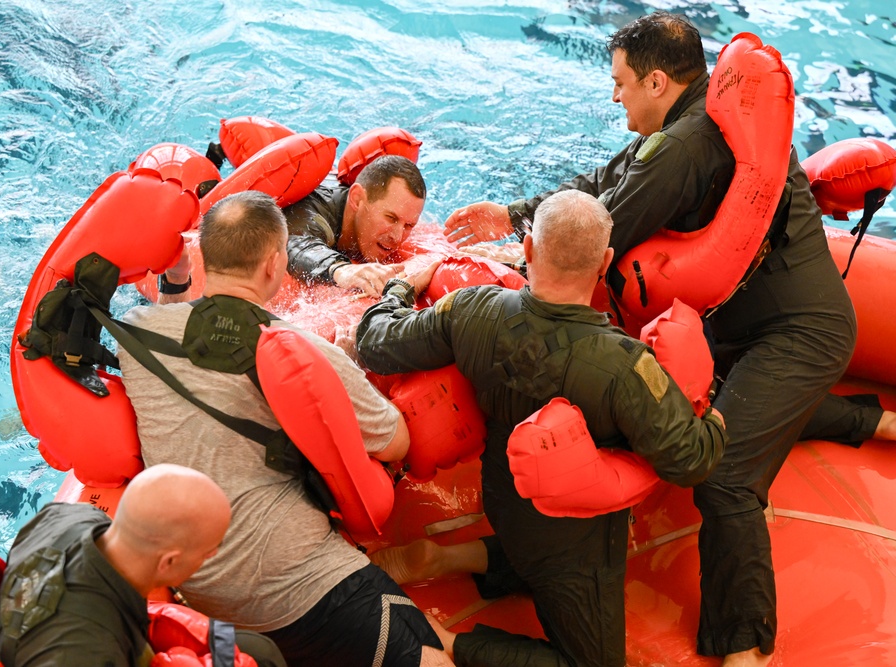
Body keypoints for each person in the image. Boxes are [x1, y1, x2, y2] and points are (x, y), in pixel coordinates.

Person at [443, 13, 857, 665]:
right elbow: (606, 182)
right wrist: (516, 213)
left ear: (657, 81)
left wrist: (517, 259)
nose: (615, 97)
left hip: (796, 334)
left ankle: (745, 648)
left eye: (621, 83)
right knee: (726, 405)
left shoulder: (685, 149)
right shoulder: (696, 116)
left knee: (725, 476)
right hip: (740, 330)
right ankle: (877, 421)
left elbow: (598, 233)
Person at [356, 189, 727, 667]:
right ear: (604, 263)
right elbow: (690, 460)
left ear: (528, 249)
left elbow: (375, 342)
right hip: (574, 546)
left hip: (504, 504)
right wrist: (711, 412)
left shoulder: (473, 309)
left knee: (531, 551)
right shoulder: (625, 365)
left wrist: (400, 289)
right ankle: (447, 641)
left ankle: (446, 559)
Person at [117, 190, 451, 667]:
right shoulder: (308, 352)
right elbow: (396, 441)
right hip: (306, 586)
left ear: (205, 255)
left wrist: (176, 280)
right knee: (436, 656)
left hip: (199, 592)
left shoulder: (136, 333)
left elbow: (183, 328)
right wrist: (350, 368)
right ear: (275, 264)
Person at [0, 463, 233, 666]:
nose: (212, 555)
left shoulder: (63, 515)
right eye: (208, 552)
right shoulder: (89, 651)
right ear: (169, 561)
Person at [283, 154, 426, 296]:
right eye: (391, 218)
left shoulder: (389, 209)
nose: (397, 237)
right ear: (357, 199)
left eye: (409, 225)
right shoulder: (312, 214)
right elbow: (294, 244)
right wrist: (341, 269)